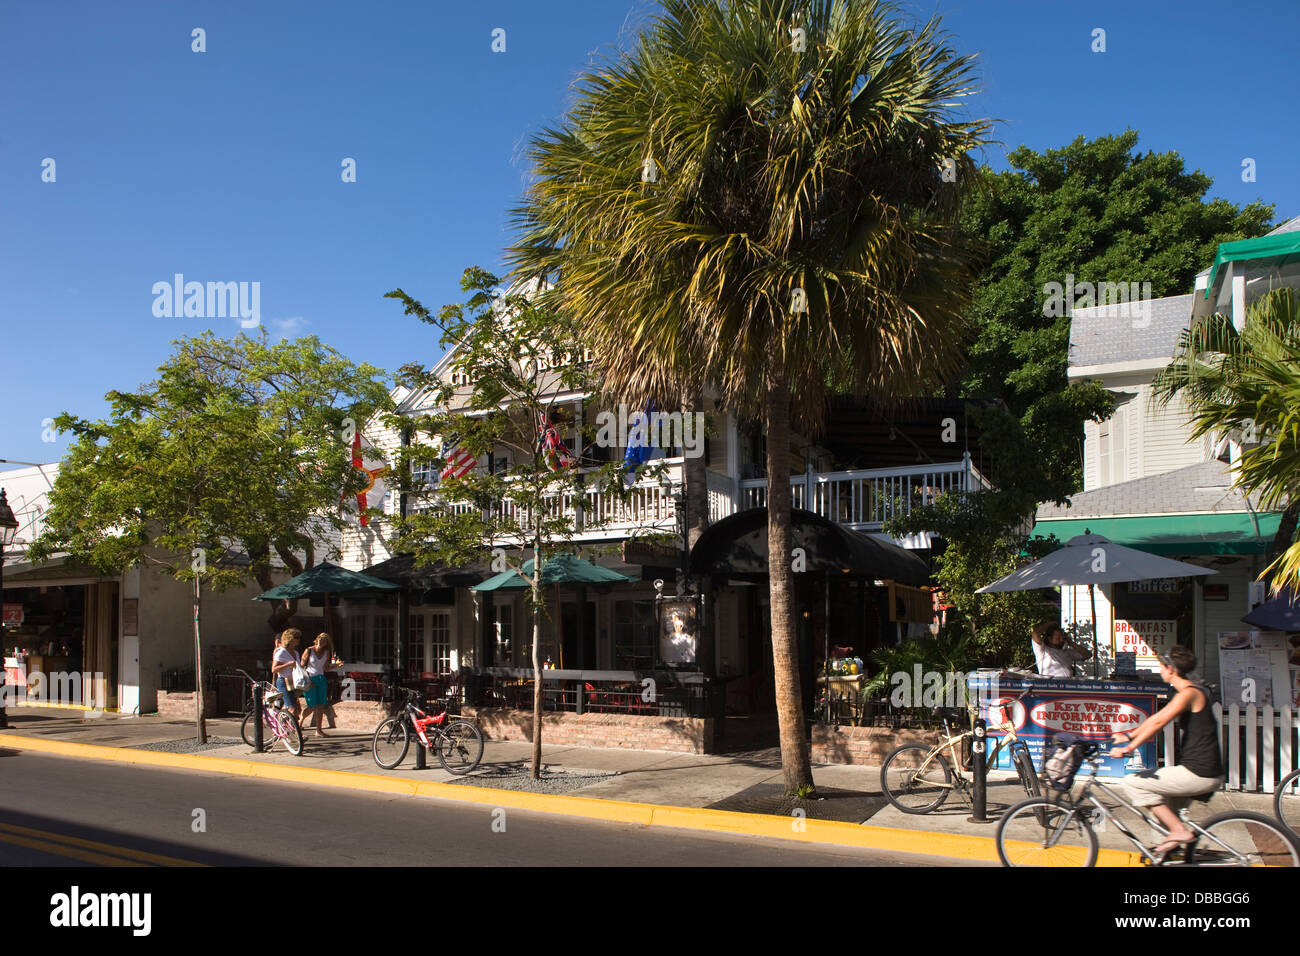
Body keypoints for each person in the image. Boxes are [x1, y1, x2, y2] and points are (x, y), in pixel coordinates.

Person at [1107, 645, 1225, 856]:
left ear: (1171, 668)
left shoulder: (1189, 693)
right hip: (1200, 769)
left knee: (1134, 782)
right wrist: (1129, 736)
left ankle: (1179, 832)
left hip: (1199, 772)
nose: (1160, 670)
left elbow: (1159, 721)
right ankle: (1171, 854)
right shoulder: (1191, 691)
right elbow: (1153, 720)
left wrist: (1129, 747)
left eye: (1161, 666)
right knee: (1161, 816)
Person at [299, 633, 336, 737]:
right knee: (311, 705)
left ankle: (318, 730)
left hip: (321, 679)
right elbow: (301, 666)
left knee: (320, 706)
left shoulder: (326, 652)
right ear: (316, 639)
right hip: (310, 679)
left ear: (326, 643)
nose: (321, 641)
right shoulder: (309, 650)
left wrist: (336, 665)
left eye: (324, 640)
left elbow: (325, 668)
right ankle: (300, 722)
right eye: (320, 638)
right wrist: (307, 679)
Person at [271, 629, 303, 724]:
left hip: (293, 682)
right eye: (296, 637)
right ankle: (295, 734)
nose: (298, 640)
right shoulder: (281, 652)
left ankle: (282, 726)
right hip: (283, 682)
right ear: (290, 639)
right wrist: (288, 664)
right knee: (292, 708)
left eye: (299, 638)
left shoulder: (296, 653)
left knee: (296, 709)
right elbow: (274, 669)